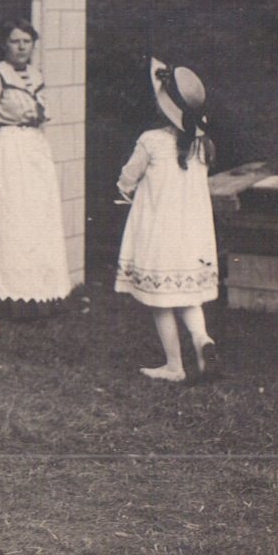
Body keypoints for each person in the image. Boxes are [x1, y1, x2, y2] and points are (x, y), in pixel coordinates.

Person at [115, 59, 220, 383]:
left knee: (161, 301)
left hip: (160, 231)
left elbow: (127, 178)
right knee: (185, 293)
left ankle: (175, 365)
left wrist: (125, 189)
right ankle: (202, 339)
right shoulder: (203, 144)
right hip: (192, 234)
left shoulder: (152, 140)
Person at [0, 20, 73, 321]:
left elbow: (43, 115)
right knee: (14, 220)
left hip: (34, 149)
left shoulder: (35, 75)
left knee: (39, 221)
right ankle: (13, 300)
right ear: (5, 44)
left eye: (27, 41)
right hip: (9, 149)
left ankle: (44, 295)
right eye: (15, 41)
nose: (22, 47)